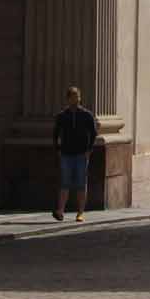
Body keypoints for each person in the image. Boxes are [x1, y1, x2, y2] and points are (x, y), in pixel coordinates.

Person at [53, 84, 98, 222]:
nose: (75, 100)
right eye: (72, 97)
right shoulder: (62, 116)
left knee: (80, 183)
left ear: (80, 98)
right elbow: (55, 134)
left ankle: (80, 213)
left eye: (77, 97)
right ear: (68, 99)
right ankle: (60, 211)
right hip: (66, 154)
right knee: (65, 183)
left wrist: (89, 150)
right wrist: (58, 149)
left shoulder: (86, 115)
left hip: (81, 154)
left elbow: (94, 133)